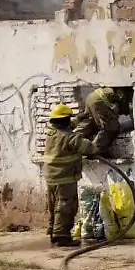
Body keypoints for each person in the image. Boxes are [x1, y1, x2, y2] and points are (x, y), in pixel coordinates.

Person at [45, 103, 100, 247]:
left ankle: (53, 230)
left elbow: (66, 126)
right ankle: (61, 236)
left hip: (51, 177)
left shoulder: (51, 133)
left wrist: (80, 118)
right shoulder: (71, 138)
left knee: (54, 205)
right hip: (65, 177)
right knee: (66, 206)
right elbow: (91, 149)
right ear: (65, 121)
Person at [73, 86, 134, 157]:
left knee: (90, 122)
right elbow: (131, 111)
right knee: (110, 128)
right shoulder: (131, 95)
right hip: (100, 100)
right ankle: (92, 151)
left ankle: (71, 141)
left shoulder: (123, 90)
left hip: (92, 96)